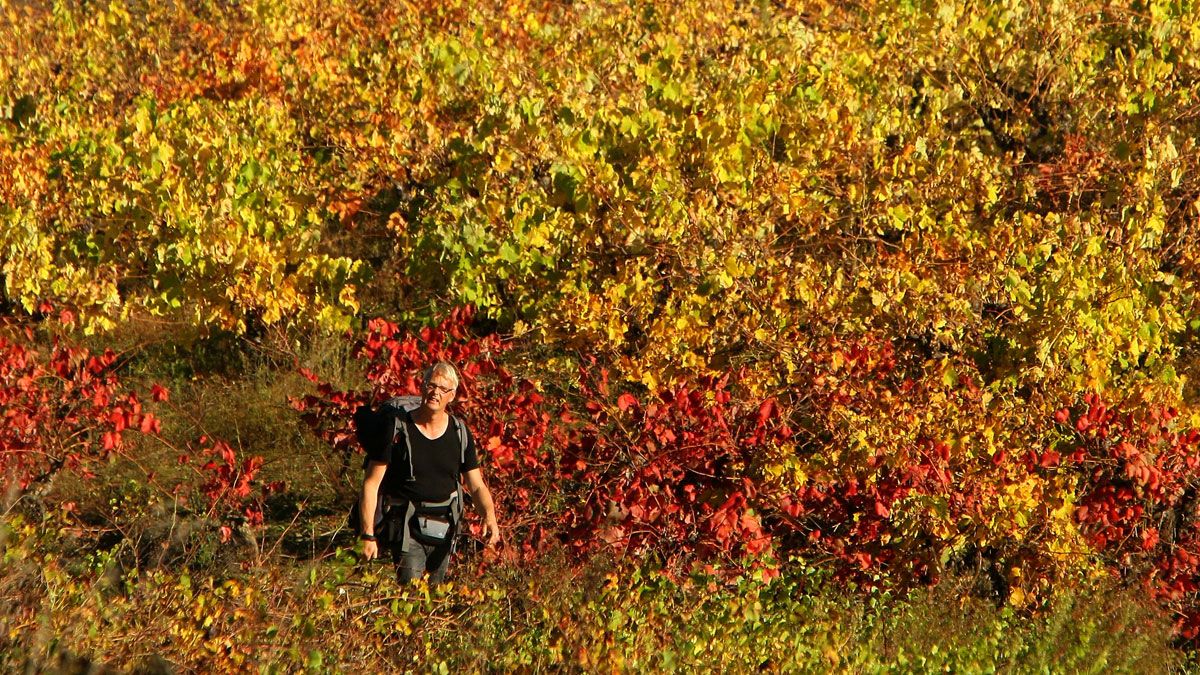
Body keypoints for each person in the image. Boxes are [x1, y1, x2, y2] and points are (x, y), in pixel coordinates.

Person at [358, 361, 500, 584]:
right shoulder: (396, 428)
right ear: (422, 387)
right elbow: (371, 483)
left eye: (443, 389)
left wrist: (490, 517)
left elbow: (477, 485)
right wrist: (368, 534)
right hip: (406, 529)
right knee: (411, 597)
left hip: (446, 528)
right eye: (431, 385)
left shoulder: (460, 432)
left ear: (452, 395)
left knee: (435, 597)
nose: (435, 393)